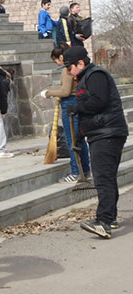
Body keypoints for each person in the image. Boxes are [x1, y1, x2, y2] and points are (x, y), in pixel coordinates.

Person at [63, 46, 128, 239]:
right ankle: (111, 218)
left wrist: (77, 107)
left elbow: (99, 101)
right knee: (107, 177)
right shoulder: (86, 76)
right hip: (102, 132)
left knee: (102, 179)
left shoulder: (95, 75)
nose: (68, 71)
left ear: (80, 64)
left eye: (69, 67)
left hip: (107, 133)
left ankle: (104, 222)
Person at [40, 43, 91, 183]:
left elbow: (65, 91)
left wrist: (49, 93)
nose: (56, 63)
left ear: (61, 57)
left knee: (72, 140)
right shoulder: (71, 69)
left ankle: (75, 172)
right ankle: (85, 170)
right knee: (78, 140)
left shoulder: (67, 71)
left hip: (70, 104)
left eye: (56, 60)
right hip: (75, 103)